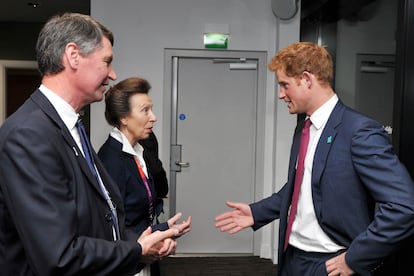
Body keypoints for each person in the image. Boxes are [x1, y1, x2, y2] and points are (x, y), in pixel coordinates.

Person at [0, 13, 179, 276]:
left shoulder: (68, 126)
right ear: (73, 56)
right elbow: (58, 256)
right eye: (106, 61)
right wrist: (137, 250)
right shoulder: (28, 135)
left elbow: (97, 219)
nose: (113, 73)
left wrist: (145, 241)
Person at [214, 42, 414, 276]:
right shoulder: (304, 128)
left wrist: (354, 258)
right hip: (292, 258)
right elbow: (302, 186)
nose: (280, 95)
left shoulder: (359, 131)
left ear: (307, 79)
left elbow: (404, 206)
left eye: (284, 85)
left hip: (330, 265)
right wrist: (257, 212)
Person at [98, 77, 191, 276]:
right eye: (145, 110)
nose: (154, 117)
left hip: (141, 255)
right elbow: (111, 226)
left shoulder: (139, 151)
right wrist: (155, 241)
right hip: (127, 261)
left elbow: (135, 215)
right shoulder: (111, 160)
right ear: (124, 118)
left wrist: (164, 228)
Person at [139, 131, 169, 223]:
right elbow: (155, 166)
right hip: (149, 194)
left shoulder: (147, 134)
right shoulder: (144, 135)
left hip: (152, 192)